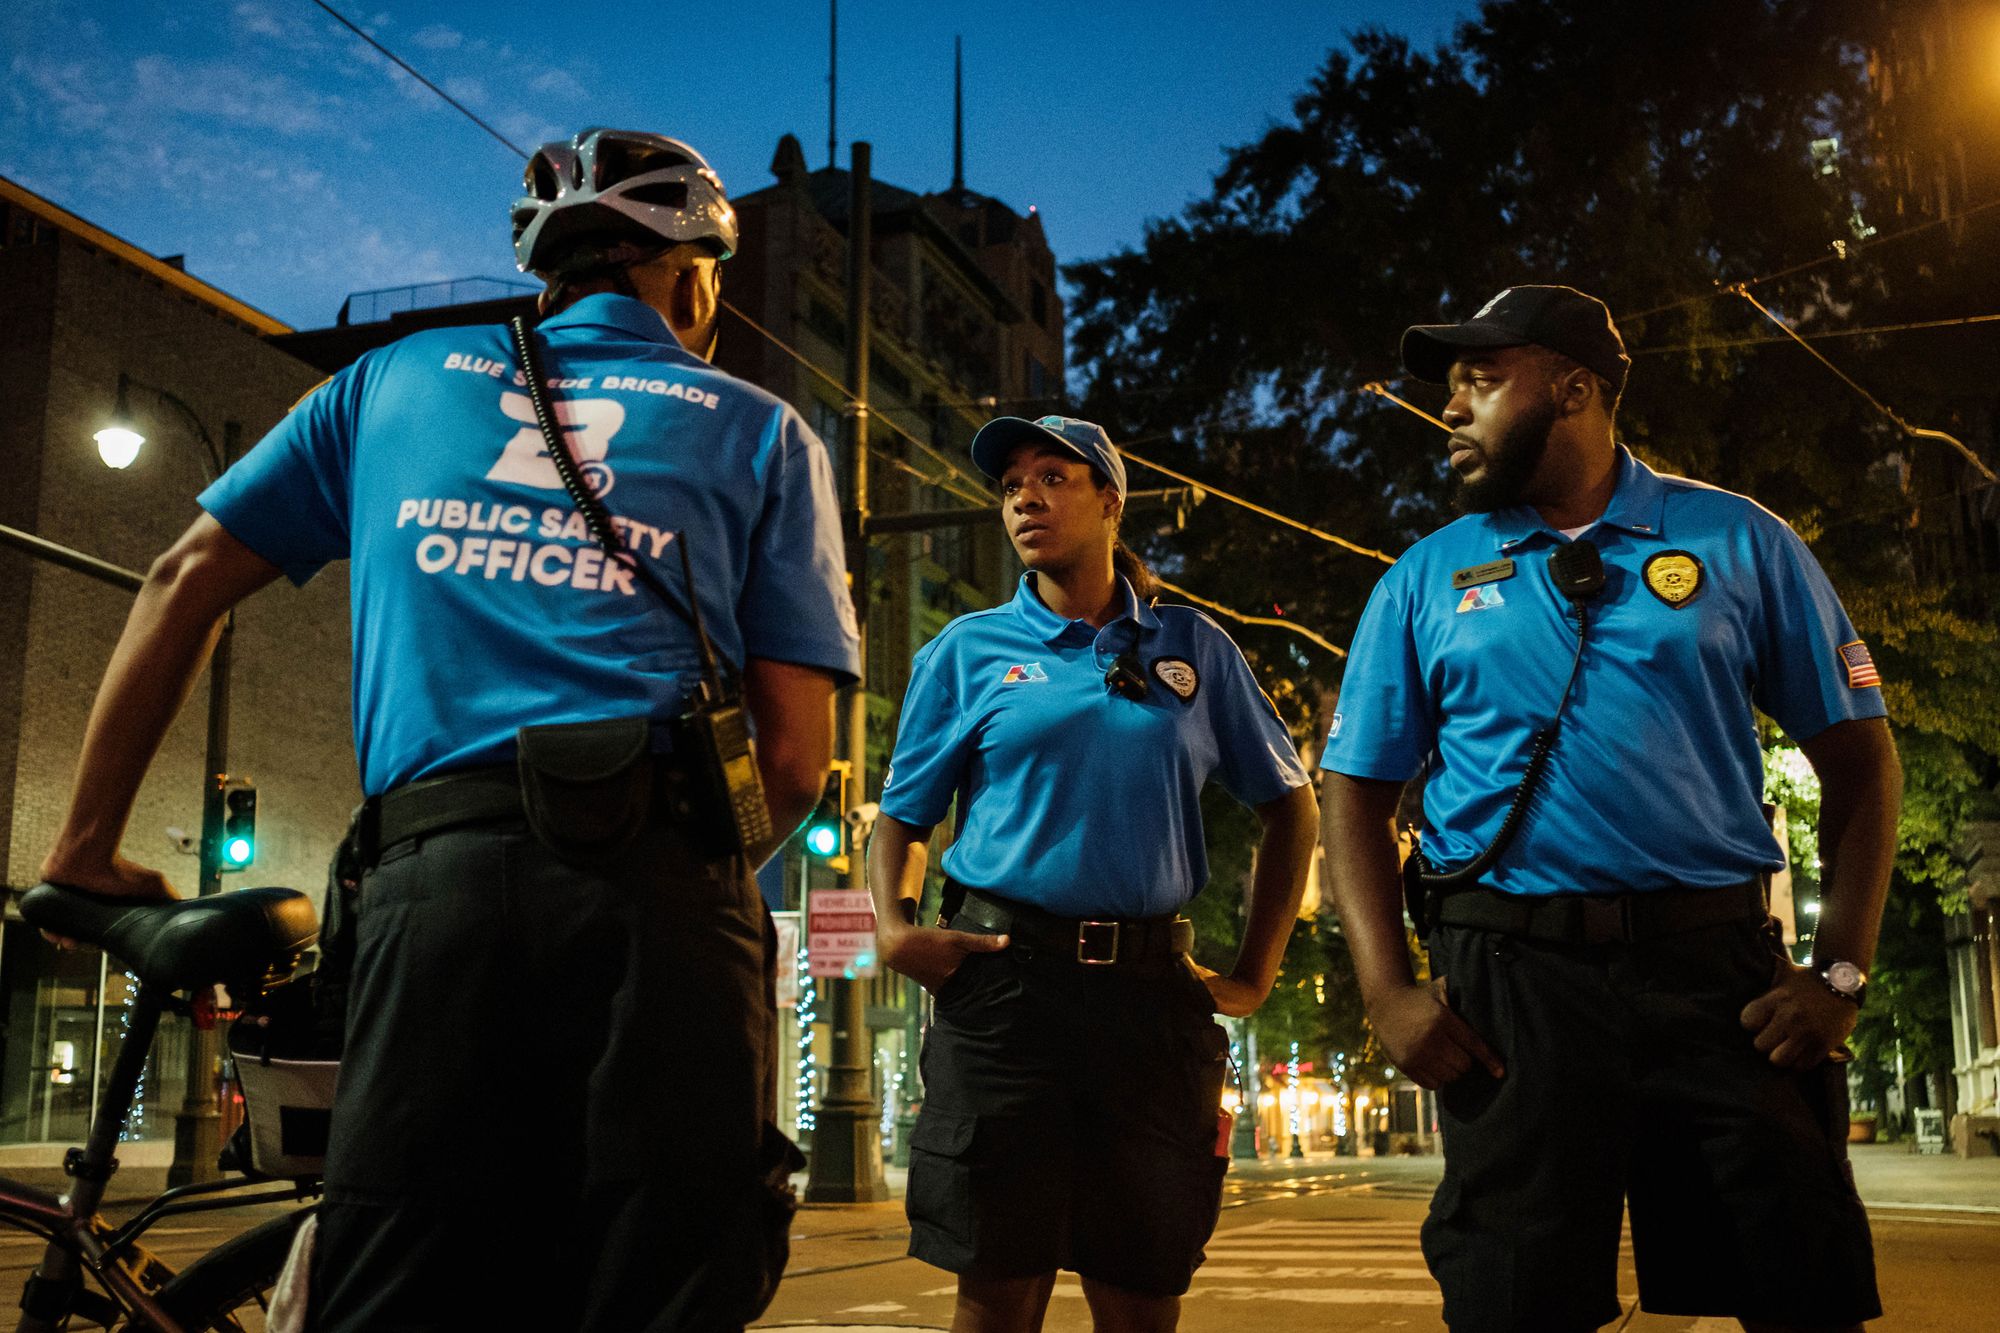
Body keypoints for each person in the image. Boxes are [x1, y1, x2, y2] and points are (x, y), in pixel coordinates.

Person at [38, 128, 859, 1332]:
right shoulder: (759, 429)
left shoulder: (388, 383)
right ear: (691, 275)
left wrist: (86, 845)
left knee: (403, 1276)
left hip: (439, 889)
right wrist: (683, 885)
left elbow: (181, 580)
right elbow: (794, 757)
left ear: (548, 270)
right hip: (665, 888)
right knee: (666, 1275)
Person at [1319, 284, 1902, 1333]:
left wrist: (1838, 974)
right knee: (1513, 1302)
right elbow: (1351, 794)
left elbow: (1861, 765)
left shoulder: (1737, 541)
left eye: (1480, 381)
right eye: (1449, 386)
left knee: (1799, 1282)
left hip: (1717, 985)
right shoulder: (1421, 579)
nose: (1449, 409)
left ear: (1573, 387)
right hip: (1511, 994)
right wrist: (1387, 993)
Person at [868, 414, 1320, 1333]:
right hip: (1006, 993)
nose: (1026, 497)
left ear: (1113, 499)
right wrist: (894, 926)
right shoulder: (967, 651)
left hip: (1151, 1003)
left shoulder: (1194, 649)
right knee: (996, 1291)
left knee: (1141, 1290)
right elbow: (904, 817)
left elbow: (1291, 803)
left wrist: (1254, 973)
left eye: (1054, 476)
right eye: (1010, 485)